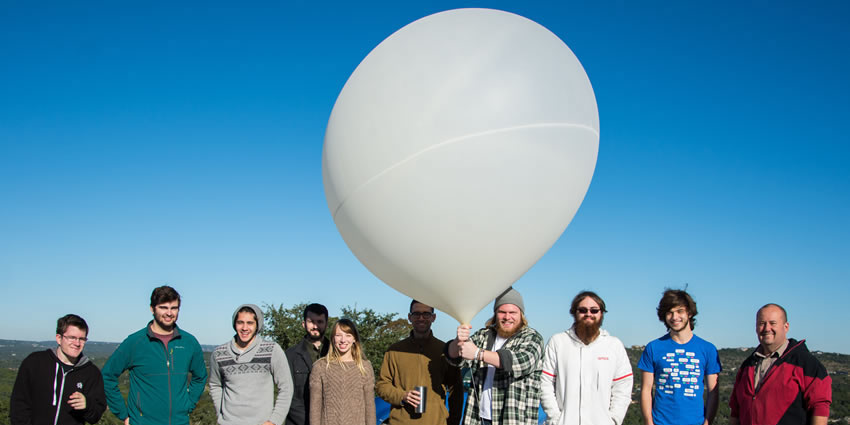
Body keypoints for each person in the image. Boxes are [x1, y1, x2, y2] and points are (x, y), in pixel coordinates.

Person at [102, 285, 208, 425]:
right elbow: (107, 375)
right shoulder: (135, 343)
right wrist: (123, 414)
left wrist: (188, 404)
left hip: (179, 421)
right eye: (163, 307)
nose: (169, 313)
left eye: (174, 308)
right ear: (152, 309)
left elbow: (200, 377)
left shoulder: (189, 342)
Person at [447, 287, 544, 425]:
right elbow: (454, 358)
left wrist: (477, 353)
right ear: (495, 314)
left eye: (512, 312)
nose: (507, 317)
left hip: (512, 419)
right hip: (477, 418)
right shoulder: (483, 335)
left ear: (521, 314)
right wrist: (458, 340)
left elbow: (519, 363)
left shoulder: (532, 337)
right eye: (502, 312)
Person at [540, 291, 633, 425]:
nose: (588, 314)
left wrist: (613, 419)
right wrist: (555, 418)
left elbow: (623, 386)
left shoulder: (614, 345)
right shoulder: (558, 342)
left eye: (594, 310)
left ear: (601, 313)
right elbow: (545, 383)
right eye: (583, 310)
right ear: (574, 313)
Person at [729, 303, 832, 425]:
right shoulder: (747, 365)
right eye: (762, 323)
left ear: (786, 327)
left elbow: (819, 407)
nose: (767, 328)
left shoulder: (806, 364)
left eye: (773, 323)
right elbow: (736, 410)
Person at [638, 289, 721, 425]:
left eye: (679, 311)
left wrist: (707, 423)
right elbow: (646, 389)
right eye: (670, 312)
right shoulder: (653, 348)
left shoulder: (708, 349)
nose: (674, 317)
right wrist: (648, 422)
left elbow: (713, 392)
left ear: (689, 313)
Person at [377, 300, 464, 425]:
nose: (421, 318)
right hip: (400, 422)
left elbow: (456, 390)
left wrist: (453, 422)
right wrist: (402, 396)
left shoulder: (445, 351)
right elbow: (382, 386)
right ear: (409, 317)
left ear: (433, 317)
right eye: (416, 314)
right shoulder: (394, 350)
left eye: (426, 314)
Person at [10, 314, 106, 425]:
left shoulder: (91, 373)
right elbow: (19, 405)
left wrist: (87, 405)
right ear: (59, 338)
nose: (77, 343)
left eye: (82, 339)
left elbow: (96, 415)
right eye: (72, 338)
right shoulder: (35, 363)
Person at [209, 304, 294, 425]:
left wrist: (274, 421)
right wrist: (220, 415)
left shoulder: (272, 350)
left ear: (257, 325)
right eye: (240, 322)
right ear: (234, 324)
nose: (245, 328)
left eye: (250, 323)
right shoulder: (219, 353)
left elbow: (286, 387)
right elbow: (215, 385)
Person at [309, 318, 376, 425]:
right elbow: (315, 409)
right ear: (332, 338)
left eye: (348, 335)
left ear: (354, 339)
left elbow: (370, 408)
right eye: (338, 335)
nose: (343, 340)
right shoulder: (320, 367)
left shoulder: (365, 367)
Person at [286, 303, 330, 425]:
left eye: (320, 322)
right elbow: (288, 395)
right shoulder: (290, 355)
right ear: (304, 323)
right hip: (300, 421)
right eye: (311, 321)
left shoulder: (338, 354)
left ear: (326, 324)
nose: (315, 326)